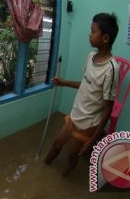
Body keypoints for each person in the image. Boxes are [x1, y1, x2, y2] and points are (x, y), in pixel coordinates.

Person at [44, 13, 120, 177]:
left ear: (105, 38)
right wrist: (64, 82)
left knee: (72, 156)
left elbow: (108, 108)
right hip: (75, 115)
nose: (89, 35)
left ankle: (64, 179)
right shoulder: (91, 56)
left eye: (93, 31)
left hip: (88, 124)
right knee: (57, 144)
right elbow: (86, 84)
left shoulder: (112, 70)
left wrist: (93, 138)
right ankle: (42, 169)